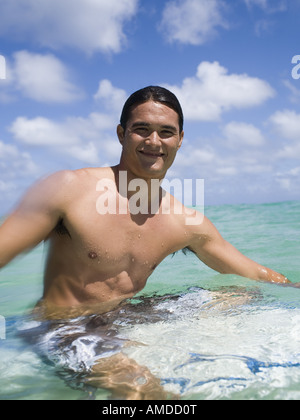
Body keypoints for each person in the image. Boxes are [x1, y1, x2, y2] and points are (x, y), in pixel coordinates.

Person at [0, 86, 295, 399]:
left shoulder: (184, 221)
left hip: (126, 314)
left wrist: (293, 286)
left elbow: (254, 272)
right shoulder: (69, 190)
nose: (154, 142)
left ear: (180, 139)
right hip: (65, 326)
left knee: (240, 294)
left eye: (166, 132)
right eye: (142, 129)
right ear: (121, 134)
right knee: (147, 392)